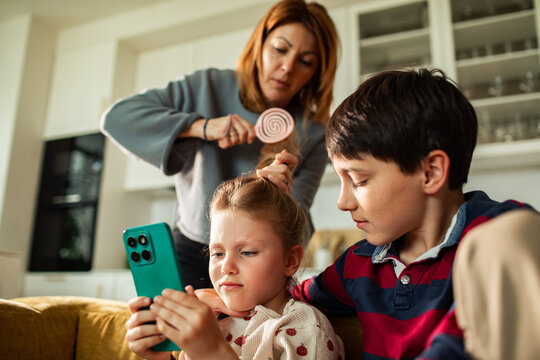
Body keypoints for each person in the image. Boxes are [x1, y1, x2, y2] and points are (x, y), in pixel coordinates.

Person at [288, 67, 539, 359]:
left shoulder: (501, 236)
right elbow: (285, 295)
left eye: (359, 180)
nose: (343, 202)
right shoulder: (358, 263)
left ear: (431, 172)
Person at [101, 0, 339, 290]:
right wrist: (201, 126)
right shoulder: (206, 86)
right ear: (259, 45)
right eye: (279, 49)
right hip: (188, 250)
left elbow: (298, 224)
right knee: (165, 333)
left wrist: (278, 198)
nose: (287, 67)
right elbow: (116, 119)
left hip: (255, 264)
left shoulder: (312, 133)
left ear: (317, 73)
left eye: (306, 61)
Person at [125, 167, 345, 360]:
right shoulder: (214, 322)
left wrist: (213, 352)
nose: (226, 267)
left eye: (247, 252)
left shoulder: (304, 328)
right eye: (217, 253)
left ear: (290, 260)